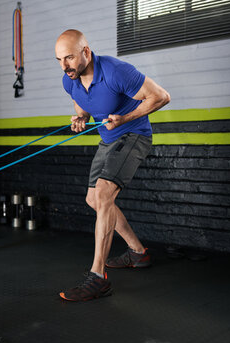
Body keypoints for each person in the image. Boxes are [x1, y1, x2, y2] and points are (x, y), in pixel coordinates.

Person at [54, 29, 170, 302]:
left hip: (134, 134)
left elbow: (161, 96)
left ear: (86, 51)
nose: (64, 66)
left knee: (104, 194)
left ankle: (97, 278)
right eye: (59, 60)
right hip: (108, 140)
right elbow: (82, 105)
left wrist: (125, 117)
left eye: (69, 57)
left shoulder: (116, 71)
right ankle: (138, 253)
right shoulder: (68, 79)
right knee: (93, 198)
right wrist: (79, 118)